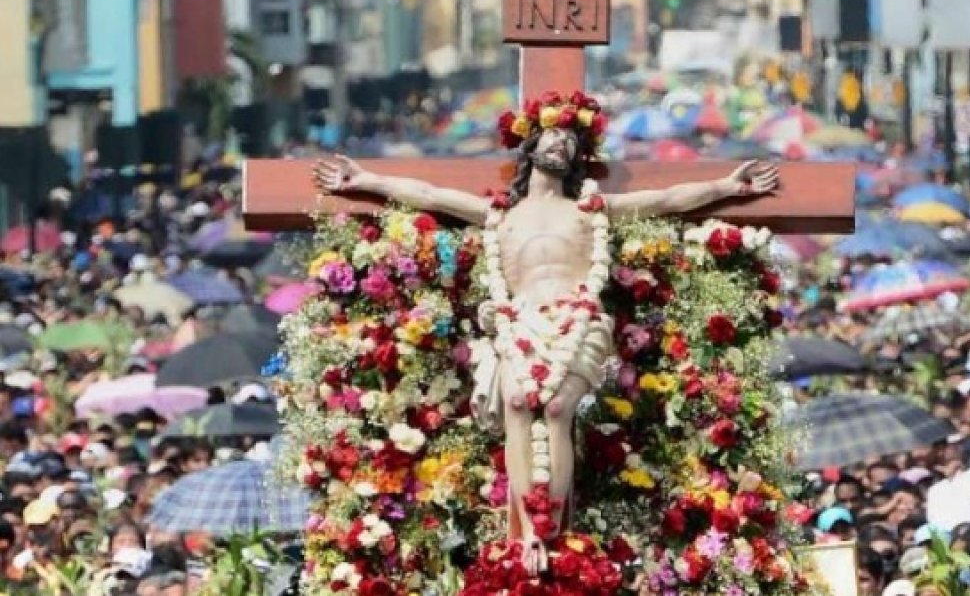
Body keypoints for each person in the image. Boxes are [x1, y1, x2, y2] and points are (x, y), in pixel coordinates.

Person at [313, 92, 780, 573]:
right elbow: (430, 195)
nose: (561, 147)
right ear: (531, 146)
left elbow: (663, 200)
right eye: (553, 138)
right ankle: (527, 534)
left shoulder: (591, 209)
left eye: (570, 143)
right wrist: (365, 180)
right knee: (517, 403)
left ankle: (547, 533)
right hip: (520, 321)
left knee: (555, 408)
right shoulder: (498, 213)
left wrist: (727, 186)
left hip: (576, 322)